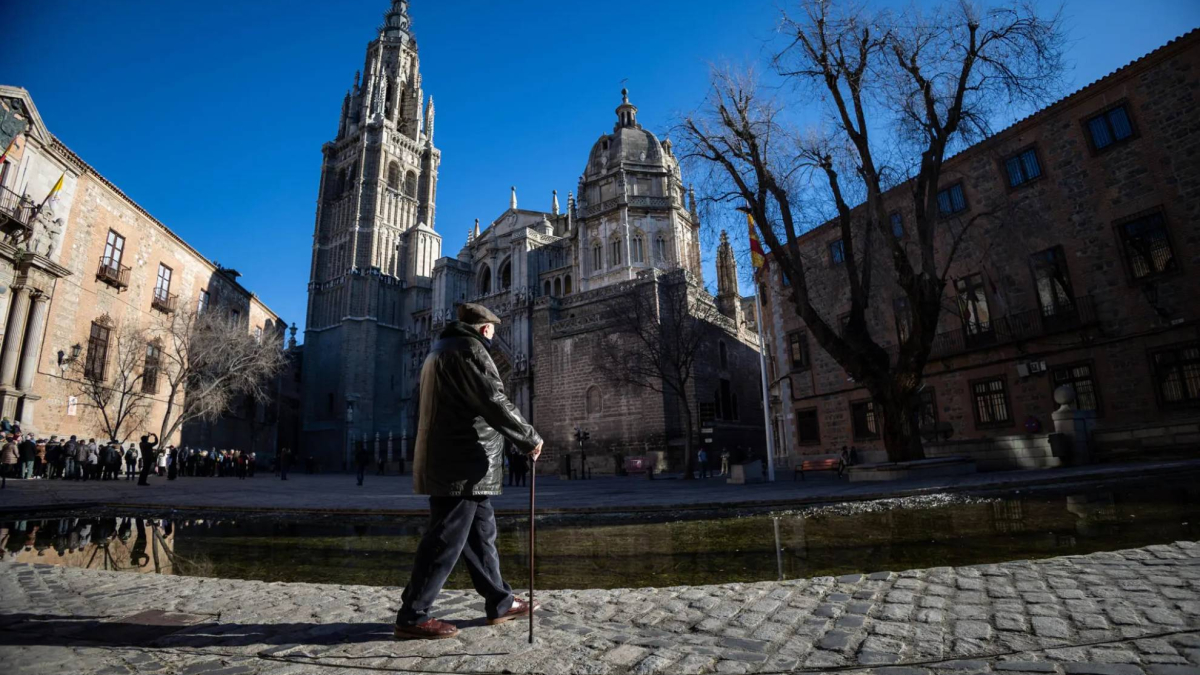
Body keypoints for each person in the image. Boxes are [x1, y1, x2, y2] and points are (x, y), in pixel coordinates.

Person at [395, 303, 543, 640]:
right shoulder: (469, 350)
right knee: (444, 539)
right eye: (493, 329)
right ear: (485, 328)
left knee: (480, 537)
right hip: (461, 461)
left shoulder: (441, 348)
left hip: (460, 461)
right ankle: (413, 614)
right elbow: (493, 399)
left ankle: (500, 602)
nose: (493, 334)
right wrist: (528, 437)